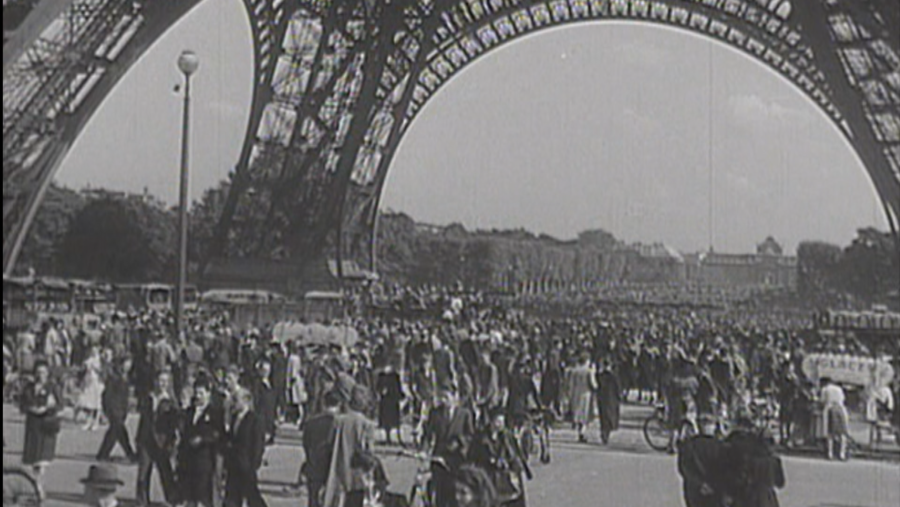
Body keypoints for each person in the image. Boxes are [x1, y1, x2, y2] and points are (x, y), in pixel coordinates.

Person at [135, 370, 181, 507]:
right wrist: (138, 438)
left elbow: (174, 423)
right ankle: (142, 501)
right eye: (160, 381)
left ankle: (172, 499)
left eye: (165, 382)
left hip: (162, 441)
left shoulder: (171, 401)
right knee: (143, 474)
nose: (162, 384)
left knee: (165, 473)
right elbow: (143, 419)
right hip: (146, 440)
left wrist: (171, 442)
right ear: (155, 381)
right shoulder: (148, 398)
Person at [424, 389, 476, 507]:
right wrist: (424, 450)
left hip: (457, 459)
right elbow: (428, 434)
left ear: (455, 397)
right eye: (442, 397)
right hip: (439, 458)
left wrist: (460, 443)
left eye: (446, 397)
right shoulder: (435, 413)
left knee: (454, 493)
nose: (443, 401)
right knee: (440, 493)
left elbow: (471, 436)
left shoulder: (465, 414)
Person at [178, 375, 225, 507]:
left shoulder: (215, 412)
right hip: (188, 459)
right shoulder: (189, 412)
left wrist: (203, 439)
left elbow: (218, 434)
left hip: (205, 460)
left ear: (208, 394)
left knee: (203, 497)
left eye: (201, 393)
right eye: (196, 393)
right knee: (189, 497)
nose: (198, 396)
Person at [469, 408, 530, 507]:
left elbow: (514, 455)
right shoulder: (481, 437)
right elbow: (474, 456)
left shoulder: (507, 436)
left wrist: (507, 462)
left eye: (502, 422)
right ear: (491, 421)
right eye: (498, 421)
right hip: (488, 475)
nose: (500, 424)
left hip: (505, 476)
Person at [21, 360, 60, 498]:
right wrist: (30, 408)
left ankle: (39, 486)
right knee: (34, 460)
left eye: (43, 372)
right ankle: (37, 485)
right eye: (38, 372)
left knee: (42, 461)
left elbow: (60, 405)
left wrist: (50, 407)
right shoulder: (29, 387)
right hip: (33, 426)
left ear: (48, 373)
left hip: (46, 425)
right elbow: (23, 405)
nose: (40, 375)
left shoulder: (52, 387)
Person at [724, 420, 785, 507]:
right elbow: (780, 483)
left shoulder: (749, 460)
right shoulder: (775, 460)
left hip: (751, 496)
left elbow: (742, 479)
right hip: (769, 497)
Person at [224, 387, 267, 507]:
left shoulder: (255, 419)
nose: (234, 404)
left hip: (246, 466)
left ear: (246, 401)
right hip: (233, 465)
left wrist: (254, 464)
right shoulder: (233, 418)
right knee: (231, 498)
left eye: (236, 400)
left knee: (252, 497)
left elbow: (258, 444)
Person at [300, 390, 341, 507]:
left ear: (323, 403)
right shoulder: (339, 424)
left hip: (314, 466)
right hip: (333, 468)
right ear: (339, 405)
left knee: (313, 500)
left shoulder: (311, 422)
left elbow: (306, 444)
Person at [677, 415, 729, 507]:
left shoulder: (690, 445)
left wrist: (700, 483)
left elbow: (683, 467)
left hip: (694, 491)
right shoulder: (721, 446)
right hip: (715, 490)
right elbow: (726, 470)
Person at [96, 357, 137, 463]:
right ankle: (130, 454)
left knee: (115, 433)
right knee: (119, 432)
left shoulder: (126, 377)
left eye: (129, 365)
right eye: (126, 364)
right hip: (114, 410)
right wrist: (107, 410)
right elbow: (107, 395)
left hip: (121, 410)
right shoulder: (114, 378)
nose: (128, 367)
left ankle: (102, 454)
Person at [343, 451, 408, 507]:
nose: (353, 482)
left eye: (357, 476)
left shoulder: (397, 502)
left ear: (369, 476)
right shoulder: (351, 500)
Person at [566, 352, 597, 443]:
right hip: (586, 394)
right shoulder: (588, 371)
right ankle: (582, 433)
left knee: (578, 413)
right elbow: (593, 384)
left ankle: (580, 430)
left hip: (576, 394)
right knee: (585, 414)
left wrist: (570, 394)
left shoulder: (575, 371)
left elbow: (571, 384)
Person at [820, 377, 849, 461]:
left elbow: (822, 401)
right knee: (842, 433)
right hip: (841, 409)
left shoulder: (825, 389)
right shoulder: (839, 389)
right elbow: (843, 399)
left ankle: (830, 453)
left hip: (831, 408)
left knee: (830, 433)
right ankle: (842, 454)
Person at [77, 346, 105, 431]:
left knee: (97, 403)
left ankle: (96, 422)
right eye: (92, 350)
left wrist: (95, 367)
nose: (93, 352)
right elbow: (84, 370)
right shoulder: (89, 360)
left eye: (95, 350)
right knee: (89, 403)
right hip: (89, 383)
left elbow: (101, 371)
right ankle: (88, 422)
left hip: (97, 383)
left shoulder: (100, 360)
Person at [376, 364, 404, 446]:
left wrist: (400, 397)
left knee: (395, 421)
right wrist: (381, 391)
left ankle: (397, 438)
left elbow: (399, 388)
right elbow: (378, 387)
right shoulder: (381, 376)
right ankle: (388, 438)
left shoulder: (395, 376)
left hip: (393, 401)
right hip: (385, 402)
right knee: (386, 422)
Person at [595, 360, 621, 445]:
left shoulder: (600, 376)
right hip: (611, 399)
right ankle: (606, 434)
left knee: (603, 417)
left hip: (602, 398)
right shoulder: (614, 376)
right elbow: (618, 388)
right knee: (609, 417)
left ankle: (603, 432)